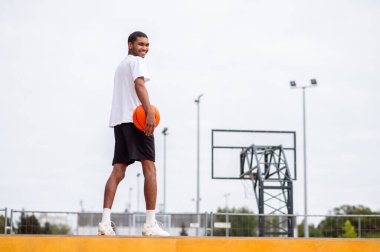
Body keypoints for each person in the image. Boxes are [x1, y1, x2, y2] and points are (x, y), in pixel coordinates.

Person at [98, 31, 169, 236]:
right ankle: (150, 224)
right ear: (130, 45)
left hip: (119, 122)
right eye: (140, 44)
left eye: (147, 45)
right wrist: (148, 112)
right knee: (150, 168)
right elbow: (139, 85)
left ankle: (104, 221)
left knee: (118, 171)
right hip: (136, 121)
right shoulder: (137, 62)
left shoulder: (121, 66)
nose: (144, 49)